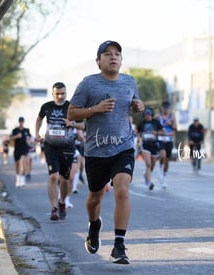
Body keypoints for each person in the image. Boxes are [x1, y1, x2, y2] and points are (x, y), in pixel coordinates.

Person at [67, 40, 145, 264]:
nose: (113, 57)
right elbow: (72, 113)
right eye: (108, 54)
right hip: (96, 151)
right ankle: (94, 225)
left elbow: (134, 105)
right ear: (98, 60)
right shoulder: (88, 84)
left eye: (117, 54)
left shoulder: (129, 82)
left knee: (122, 190)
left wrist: (139, 107)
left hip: (123, 147)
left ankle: (119, 245)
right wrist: (95, 109)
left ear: (121, 60)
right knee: (95, 198)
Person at [35, 82, 85, 221]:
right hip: (50, 146)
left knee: (65, 180)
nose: (60, 96)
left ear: (66, 93)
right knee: (53, 177)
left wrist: (72, 124)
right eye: (57, 93)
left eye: (62, 93)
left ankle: (62, 201)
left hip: (67, 148)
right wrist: (37, 133)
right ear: (53, 94)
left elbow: (82, 124)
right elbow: (39, 119)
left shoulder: (71, 107)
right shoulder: (46, 107)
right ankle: (54, 208)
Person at [137, 107, 164, 190]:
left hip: (154, 145)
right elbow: (137, 132)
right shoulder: (142, 123)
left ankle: (146, 175)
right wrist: (138, 139)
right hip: (145, 145)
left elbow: (163, 132)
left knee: (152, 165)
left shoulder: (156, 122)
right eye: (146, 115)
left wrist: (156, 132)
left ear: (152, 115)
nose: (147, 116)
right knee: (148, 164)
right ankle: (149, 183)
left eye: (149, 115)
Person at [157, 101, 177, 188]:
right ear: (162, 108)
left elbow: (176, 128)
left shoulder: (172, 117)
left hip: (169, 140)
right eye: (164, 108)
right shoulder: (158, 116)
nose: (166, 110)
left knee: (167, 160)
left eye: (167, 108)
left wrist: (171, 125)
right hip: (161, 139)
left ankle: (164, 178)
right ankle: (160, 168)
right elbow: (154, 126)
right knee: (162, 156)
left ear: (169, 109)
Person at [9, 117, 31, 187]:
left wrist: (29, 141)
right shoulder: (15, 130)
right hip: (17, 149)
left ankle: (23, 180)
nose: (21, 123)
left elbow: (30, 138)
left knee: (23, 164)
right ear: (19, 122)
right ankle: (18, 179)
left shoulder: (26, 130)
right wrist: (17, 136)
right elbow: (10, 138)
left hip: (24, 150)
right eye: (20, 122)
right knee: (17, 165)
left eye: (22, 121)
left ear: (23, 122)